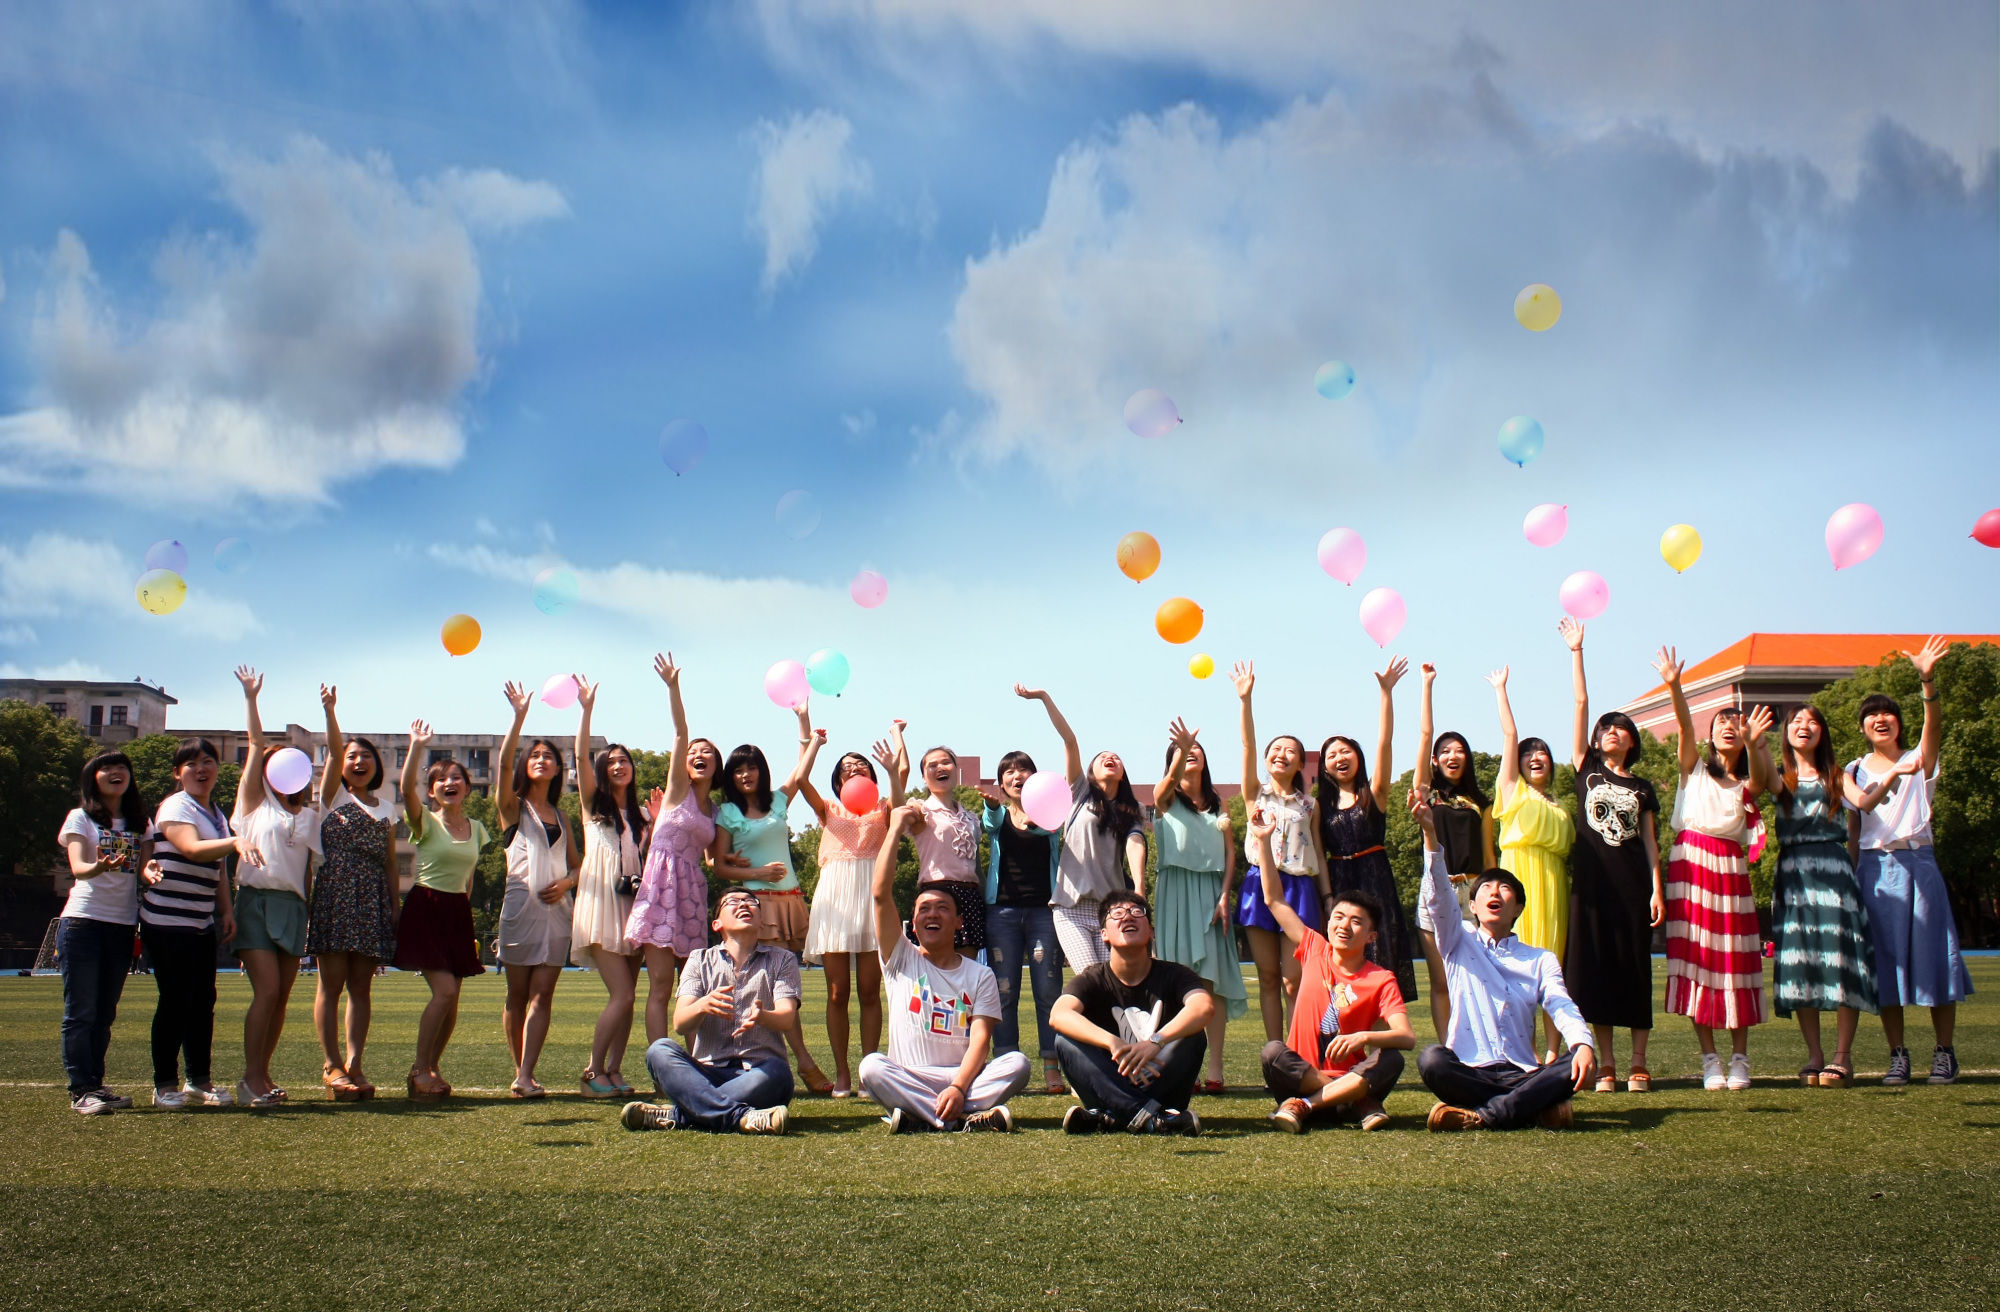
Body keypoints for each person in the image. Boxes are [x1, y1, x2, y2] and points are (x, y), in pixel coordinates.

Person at [1408, 790, 1596, 1131]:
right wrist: (1430, 835)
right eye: (1486, 888)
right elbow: (1438, 897)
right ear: (1473, 906)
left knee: (1577, 1062)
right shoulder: (1457, 940)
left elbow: (1561, 1004)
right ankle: (1534, 1107)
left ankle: (1483, 1115)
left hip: (1519, 1069)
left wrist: (1582, 1043)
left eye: (1504, 888)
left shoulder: (1540, 959)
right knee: (1432, 1059)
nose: (1495, 892)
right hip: (1467, 1068)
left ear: (1518, 908)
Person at [1846, 636, 1974, 1085]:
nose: (1880, 719)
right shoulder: (1854, 770)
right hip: (1875, 869)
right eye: (1871, 715)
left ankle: (1944, 1051)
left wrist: (1927, 680)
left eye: (1888, 713)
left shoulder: (1920, 760)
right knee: (1886, 963)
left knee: (1936, 956)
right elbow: (1856, 823)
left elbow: (1934, 728)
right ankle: (1897, 1054)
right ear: (1862, 728)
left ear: (1899, 723)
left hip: (1919, 863)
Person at [858, 806, 1028, 1131]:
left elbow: (981, 1040)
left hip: (963, 1075)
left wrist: (959, 1087)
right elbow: (880, 895)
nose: (932, 915)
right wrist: (894, 830)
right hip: (910, 1073)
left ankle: (923, 1114)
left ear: (959, 923)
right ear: (914, 923)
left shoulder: (980, 974)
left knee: (1017, 1063)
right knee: (872, 1067)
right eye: (924, 909)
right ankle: (960, 1119)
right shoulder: (900, 959)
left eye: (942, 909)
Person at [1653, 647, 1775, 1091]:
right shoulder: (1693, 770)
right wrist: (1674, 685)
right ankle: (1709, 1059)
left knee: (1735, 960)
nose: (1728, 726)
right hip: (1691, 865)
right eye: (1721, 722)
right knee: (1698, 959)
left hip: (1730, 868)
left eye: (1735, 723)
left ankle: (1740, 1058)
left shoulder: (1745, 781)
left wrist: (1758, 741)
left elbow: (1761, 781)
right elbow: (1684, 726)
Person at [1246, 809, 1412, 1132]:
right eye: (1338, 917)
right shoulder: (1314, 947)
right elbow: (1274, 900)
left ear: (1371, 936)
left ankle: (1308, 1106)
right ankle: (1354, 1100)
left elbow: (1406, 1036)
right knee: (1273, 1052)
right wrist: (1264, 841)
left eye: (1356, 922)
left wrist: (1363, 1036)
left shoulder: (1380, 978)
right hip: (1306, 1075)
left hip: (1335, 1079)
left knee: (1392, 1058)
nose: (1343, 926)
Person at [1559, 620, 1663, 1093]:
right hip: (1592, 887)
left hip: (1633, 884)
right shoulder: (1587, 771)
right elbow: (1580, 704)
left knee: (1634, 966)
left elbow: (1650, 841)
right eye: (1607, 730)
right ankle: (1607, 1063)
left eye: (1621, 730)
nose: (1612, 734)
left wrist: (1657, 890)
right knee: (1596, 968)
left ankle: (1639, 1061)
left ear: (1632, 740)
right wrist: (1577, 651)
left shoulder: (1642, 787)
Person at [1773, 704, 1899, 1087]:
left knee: (1843, 959)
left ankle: (1842, 1056)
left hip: (1834, 869)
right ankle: (1815, 1054)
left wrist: (1894, 773)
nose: (1804, 726)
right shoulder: (1781, 777)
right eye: (1796, 721)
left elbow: (1863, 802)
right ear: (1786, 733)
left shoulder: (1837, 775)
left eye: (1812, 721)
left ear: (1823, 732)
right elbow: (1761, 779)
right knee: (1802, 962)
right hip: (1795, 874)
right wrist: (1752, 744)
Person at [714, 703, 833, 1093]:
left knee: (785, 987)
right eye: (738, 769)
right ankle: (800, 1061)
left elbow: (801, 771)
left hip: (790, 900)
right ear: (731, 777)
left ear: (761, 771)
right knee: (766, 986)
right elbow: (720, 867)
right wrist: (758, 874)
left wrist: (805, 723)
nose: (745, 774)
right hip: (753, 905)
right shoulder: (727, 812)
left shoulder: (779, 801)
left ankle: (790, 1061)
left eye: (751, 767)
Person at [620, 888, 797, 1134]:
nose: (743, 904)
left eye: (751, 902)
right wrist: (702, 1005)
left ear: (762, 922)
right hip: (707, 1073)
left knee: (779, 1073)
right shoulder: (698, 960)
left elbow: (787, 1017)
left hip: (759, 1072)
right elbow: (681, 1023)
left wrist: (764, 1016)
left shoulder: (782, 960)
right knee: (659, 1050)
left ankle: (678, 1115)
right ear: (716, 923)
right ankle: (741, 1118)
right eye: (732, 901)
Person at [799, 722, 908, 1098]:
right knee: (836, 992)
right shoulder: (828, 809)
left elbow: (903, 776)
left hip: (870, 899)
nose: (853, 769)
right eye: (846, 767)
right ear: (837, 779)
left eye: (860, 765)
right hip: (834, 900)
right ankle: (842, 1073)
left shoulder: (884, 808)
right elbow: (799, 779)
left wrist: (897, 736)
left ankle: (869, 1072)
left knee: (869, 991)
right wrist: (814, 741)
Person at [1050, 890, 1211, 1136]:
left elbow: (1203, 1007)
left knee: (1193, 1035)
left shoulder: (1175, 974)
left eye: (1137, 912)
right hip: (1112, 1077)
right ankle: (1153, 1119)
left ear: (1151, 931)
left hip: (1160, 1078)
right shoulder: (1093, 978)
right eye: (1117, 914)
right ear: (1103, 934)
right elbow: (1059, 1014)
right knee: (1065, 1041)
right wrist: (1112, 1043)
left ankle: (1111, 1117)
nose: (1128, 917)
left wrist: (1156, 1042)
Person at [230, 667, 318, 1109]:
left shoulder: (309, 816)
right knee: (265, 991)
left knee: (281, 998)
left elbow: (306, 872)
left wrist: (308, 910)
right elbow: (255, 746)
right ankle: (249, 1079)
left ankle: (263, 1073)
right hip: (256, 902)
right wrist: (251, 698)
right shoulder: (253, 805)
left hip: (293, 907)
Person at [625, 652, 723, 1044]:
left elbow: (714, 860)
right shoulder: (677, 791)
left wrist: (750, 869)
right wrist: (673, 686)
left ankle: (698, 1062)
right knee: (662, 986)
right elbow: (681, 732)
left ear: (717, 765)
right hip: (661, 889)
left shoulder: (715, 810)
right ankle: (662, 1063)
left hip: (693, 893)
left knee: (693, 987)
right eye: (693, 754)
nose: (698, 756)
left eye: (707, 753)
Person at [306, 684, 397, 1101]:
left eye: (365, 756)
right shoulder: (332, 795)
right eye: (351, 756)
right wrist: (330, 712)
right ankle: (331, 1065)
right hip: (335, 893)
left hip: (372, 899)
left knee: (362, 987)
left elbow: (392, 863)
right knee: (331, 983)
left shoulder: (386, 807)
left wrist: (393, 909)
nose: (358, 761)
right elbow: (333, 746)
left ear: (377, 765)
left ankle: (355, 1063)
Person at [142, 736, 243, 1108]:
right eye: (191, 764)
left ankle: (199, 1081)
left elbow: (216, 869)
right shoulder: (176, 805)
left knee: (203, 1002)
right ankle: (164, 1085)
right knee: (175, 1001)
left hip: (199, 922)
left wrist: (226, 911)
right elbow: (190, 849)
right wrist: (235, 842)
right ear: (177, 774)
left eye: (208, 762)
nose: (201, 769)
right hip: (166, 920)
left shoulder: (215, 814)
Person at [1229, 661, 1328, 1041]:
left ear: (1302, 763)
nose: (1281, 754)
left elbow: (1316, 850)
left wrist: (1327, 896)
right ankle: (1276, 1052)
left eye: (1291, 751)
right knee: (1268, 977)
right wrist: (1245, 699)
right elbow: (1247, 745)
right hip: (1259, 886)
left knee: (1294, 979)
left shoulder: (1310, 806)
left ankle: (1298, 1047)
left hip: (1299, 890)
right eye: (1277, 749)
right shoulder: (1255, 793)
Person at [1019, 685, 1149, 973]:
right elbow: (1069, 740)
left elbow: (1135, 842)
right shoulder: (1079, 792)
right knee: (1092, 976)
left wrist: (1139, 886)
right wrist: (1043, 697)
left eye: (1116, 757)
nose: (1110, 757)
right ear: (1090, 770)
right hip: (1071, 907)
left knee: (1115, 981)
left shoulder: (1133, 809)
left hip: (1111, 909)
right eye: (1102, 756)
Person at [393, 720, 488, 1101]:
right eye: (441, 780)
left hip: (457, 912)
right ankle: (419, 1069)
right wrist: (416, 746)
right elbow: (404, 790)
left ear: (467, 786)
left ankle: (432, 1068)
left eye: (457, 778)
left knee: (453, 1002)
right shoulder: (425, 822)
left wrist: (464, 908)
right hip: (427, 906)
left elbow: (468, 877)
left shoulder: (478, 828)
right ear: (432, 791)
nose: (450, 783)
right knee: (444, 993)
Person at [1486, 665, 1576, 1061]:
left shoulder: (1558, 804)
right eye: (1528, 754)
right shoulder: (1512, 792)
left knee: (1553, 970)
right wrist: (1502, 691)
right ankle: (1522, 1051)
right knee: (1516, 970)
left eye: (1542, 753)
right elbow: (1510, 736)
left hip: (1554, 885)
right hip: (1519, 880)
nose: (1535, 757)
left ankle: (1554, 1053)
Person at [496, 680, 580, 1099]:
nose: (542, 760)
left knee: (543, 994)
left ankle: (527, 1072)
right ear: (525, 765)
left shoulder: (563, 817)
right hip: (520, 910)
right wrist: (519, 718)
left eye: (549, 756)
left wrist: (567, 882)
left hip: (558, 914)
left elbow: (581, 867)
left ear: (558, 769)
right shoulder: (513, 808)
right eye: (536, 755)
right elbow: (501, 767)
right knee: (517, 994)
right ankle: (521, 1072)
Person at [1315, 657, 1417, 1004]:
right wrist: (1328, 898)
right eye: (1331, 754)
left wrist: (1386, 694)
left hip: (1376, 880)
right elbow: (1318, 851)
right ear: (1325, 767)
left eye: (1346, 751)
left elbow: (1385, 744)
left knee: (1381, 951)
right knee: (1343, 960)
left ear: (1357, 757)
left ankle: (1381, 1043)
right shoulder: (1320, 807)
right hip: (1340, 884)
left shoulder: (1374, 795)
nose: (1339, 757)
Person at [1151, 717, 1244, 1092]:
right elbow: (1161, 791)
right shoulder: (1168, 799)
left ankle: (1216, 1070)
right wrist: (1180, 753)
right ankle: (1179, 1067)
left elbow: (1231, 854)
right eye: (1184, 753)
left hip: (1210, 896)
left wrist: (1224, 895)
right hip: (1175, 890)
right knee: (1177, 982)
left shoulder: (1219, 807)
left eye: (1196, 751)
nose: (1192, 756)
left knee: (1211, 984)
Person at [57, 750, 151, 1115]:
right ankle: (81, 1089)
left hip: (122, 925)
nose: (116, 772)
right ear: (92, 779)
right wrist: (98, 867)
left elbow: (145, 867)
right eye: (106, 768)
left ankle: (96, 1084)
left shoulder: (141, 822)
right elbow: (79, 867)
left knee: (104, 1013)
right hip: (83, 922)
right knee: (81, 1011)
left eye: (122, 767)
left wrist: (152, 870)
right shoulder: (80, 818)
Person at [977, 747, 1069, 1096]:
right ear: (1001, 783)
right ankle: (1007, 1066)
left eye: (1023, 770)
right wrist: (992, 806)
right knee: (1004, 991)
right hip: (1002, 913)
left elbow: (1051, 828)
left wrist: (1037, 818)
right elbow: (990, 822)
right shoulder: (999, 816)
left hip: (1044, 912)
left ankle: (1052, 1065)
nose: (1017, 776)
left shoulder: (1052, 817)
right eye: (1009, 772)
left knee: (1048, 991)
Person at [571, 678, 647, 1098]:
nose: (619, 766)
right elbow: (580, 755)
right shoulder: (593, 806)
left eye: (624, 760)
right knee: (621, 994)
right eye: (611, 761)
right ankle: (592, 1071)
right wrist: (586, 709)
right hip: (602, 909)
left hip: (632, 909)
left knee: (630, 997)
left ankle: (614, 1072)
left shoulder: (638, 816)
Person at [1412, 663, 1494, 1043]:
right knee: (1441, 979)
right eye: (1445, 751)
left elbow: (1489, 854)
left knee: (1478, 973)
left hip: (1475, 891)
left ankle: (1479, 1043)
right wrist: (1427, 686)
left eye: (1459, 750)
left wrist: (1492, 893)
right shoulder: (1428, 793)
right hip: (1436, 889)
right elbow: (1425, 733)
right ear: (1434, 759)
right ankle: (1449, 1050)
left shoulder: (1481, 802)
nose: (1452, 755)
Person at [904, 738, 988, 954]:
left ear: (956, 770)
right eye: (932, 765)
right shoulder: (921, 809)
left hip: (970, 897)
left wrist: (986, 901)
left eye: (945, 763)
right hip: (936, 895)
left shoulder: (970, 818)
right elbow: (896, 813)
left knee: (967, 970)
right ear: (924, 777)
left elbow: (976, 867)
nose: (940, 768)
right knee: (932, 968)